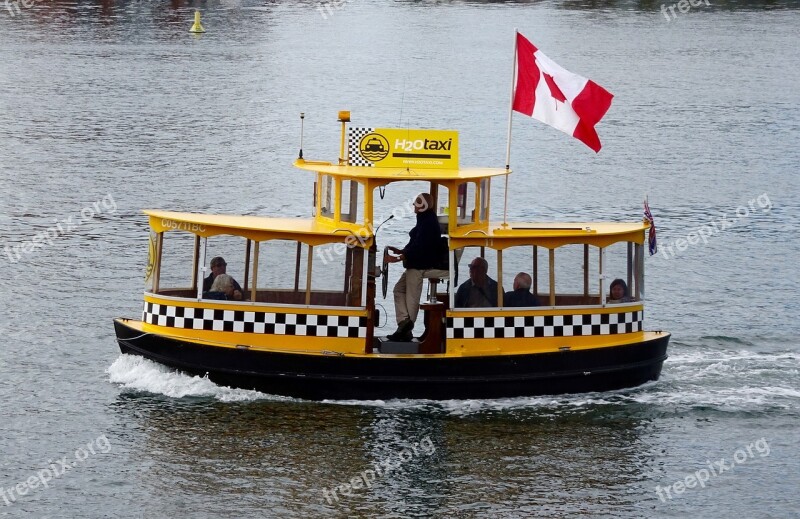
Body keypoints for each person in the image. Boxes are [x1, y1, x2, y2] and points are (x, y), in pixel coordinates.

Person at [385, 193, 442, 341]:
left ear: (423, 206)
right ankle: (404, 324)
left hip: (419, 266)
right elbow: (415, 243)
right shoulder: (424, 220)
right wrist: (402, 251)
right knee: (398, 290)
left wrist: (398, 258)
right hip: (414, 263)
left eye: (417, 203)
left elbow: (420, 247)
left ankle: (406, 328)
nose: (414, 206)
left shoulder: (428, 222)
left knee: (412, 298)